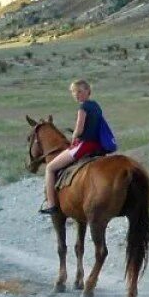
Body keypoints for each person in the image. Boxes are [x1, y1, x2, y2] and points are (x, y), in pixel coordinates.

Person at [40, 79, 106, 215]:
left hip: (84, 145)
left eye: (79, 91)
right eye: (74, 92)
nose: (76, 95)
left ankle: (51, 204)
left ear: (88, 91)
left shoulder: (83, 108)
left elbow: (79, 129)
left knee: (50, 168)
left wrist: (74, 137)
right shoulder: (96, 106)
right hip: (98, 145)